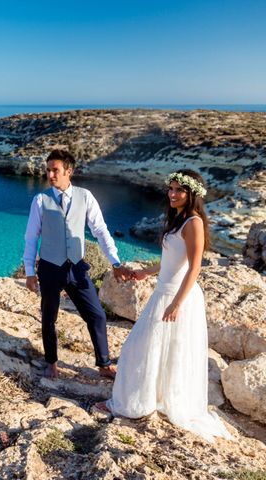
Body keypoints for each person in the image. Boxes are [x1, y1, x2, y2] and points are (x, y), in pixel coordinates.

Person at [97, 169, 233, 443]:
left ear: (191, 193)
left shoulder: (193, 222)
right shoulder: (178, 220)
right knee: (154, 349)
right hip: (163, 292)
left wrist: (177, 303)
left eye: (178, 190)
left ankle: (130, 405)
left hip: (177, 296)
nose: (172, 194)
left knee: (141, 347)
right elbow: (171, 259)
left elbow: (195, 267)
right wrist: (146, 272)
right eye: (170, 189)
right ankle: (146, 398)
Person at [23, 149, 130, 380]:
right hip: (50, 268)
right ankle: (51, 362)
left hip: (77, 268)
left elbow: (100, 230)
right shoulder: (40, 200)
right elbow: (31, 237)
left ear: (68, 171)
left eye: (55, 170)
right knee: (48, 316)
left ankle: (104, 364)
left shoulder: (85, 196)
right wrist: (30, 272)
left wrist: (115, 261)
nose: (50, 174)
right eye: (48, 170)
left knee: (97, 315)